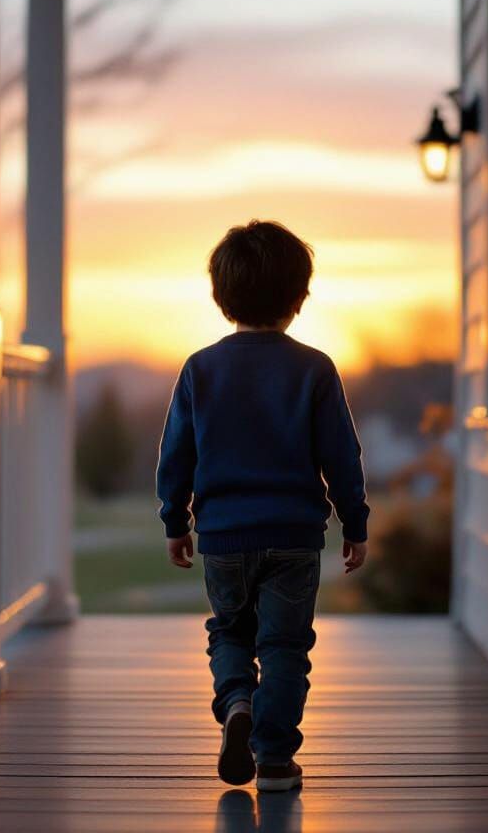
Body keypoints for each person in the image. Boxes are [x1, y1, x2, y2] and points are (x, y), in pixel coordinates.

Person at [156, 219, 370, 792]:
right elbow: (341, 455)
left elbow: (176, 454)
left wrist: (175, 520)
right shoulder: (315, 369)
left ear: (221, 296)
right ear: (299, 298)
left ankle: (236, 706)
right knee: (284, 646)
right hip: (294, 538)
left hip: (224, 537)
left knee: (229, 631)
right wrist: (356, 521)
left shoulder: (200, 369)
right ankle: (273, 758)